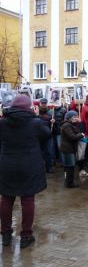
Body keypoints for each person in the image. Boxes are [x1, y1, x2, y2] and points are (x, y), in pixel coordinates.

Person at [0, 95, 51, 248]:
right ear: (29, 107)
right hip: (29, 165)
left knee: (6, 199)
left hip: (7, 164)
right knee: (27, 200)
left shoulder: (2, 123)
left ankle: (6, 234)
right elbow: (47, 134)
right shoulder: (35, 123)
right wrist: (37, 117)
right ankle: (26, 235)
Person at [59, 111, 85, 188]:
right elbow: (72, 137)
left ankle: (68, 182)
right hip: (67, 149)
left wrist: (79, 123)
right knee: (70, 166)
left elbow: (78, 130)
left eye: (76, 117)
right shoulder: (66, 125)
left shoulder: (71, 125)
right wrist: (81, 135)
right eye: (74, 117)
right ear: (69, 118)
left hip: (69, 148)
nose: (76, 118)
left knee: (69, 166)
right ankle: (69, 183)